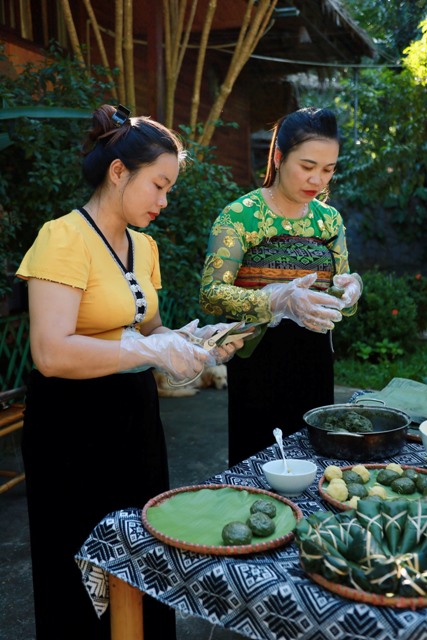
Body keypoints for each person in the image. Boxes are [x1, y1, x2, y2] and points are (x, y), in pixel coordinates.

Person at [15, 104, 246, 640]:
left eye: (170, 189)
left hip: (134, 420)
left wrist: (197, 346)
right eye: (158, 186)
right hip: (71, 425)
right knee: (80, 570)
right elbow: (51, 352)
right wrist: (150, 353)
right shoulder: (63, 238)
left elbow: (150, 332)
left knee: (144, 556)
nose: (165, 201)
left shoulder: (144, 246)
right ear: (119, 172)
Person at [199, 107, 363, 467]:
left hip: (315, 359)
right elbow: (211, 295)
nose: (317, 180)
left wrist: (352, 290)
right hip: (256, 360)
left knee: (314, 462)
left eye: (328, 169)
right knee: (257, 465)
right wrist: (276, 301)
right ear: (278, 157)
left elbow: (342, 288)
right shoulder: (240, 215)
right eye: (307, 166)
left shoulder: (328, 220)